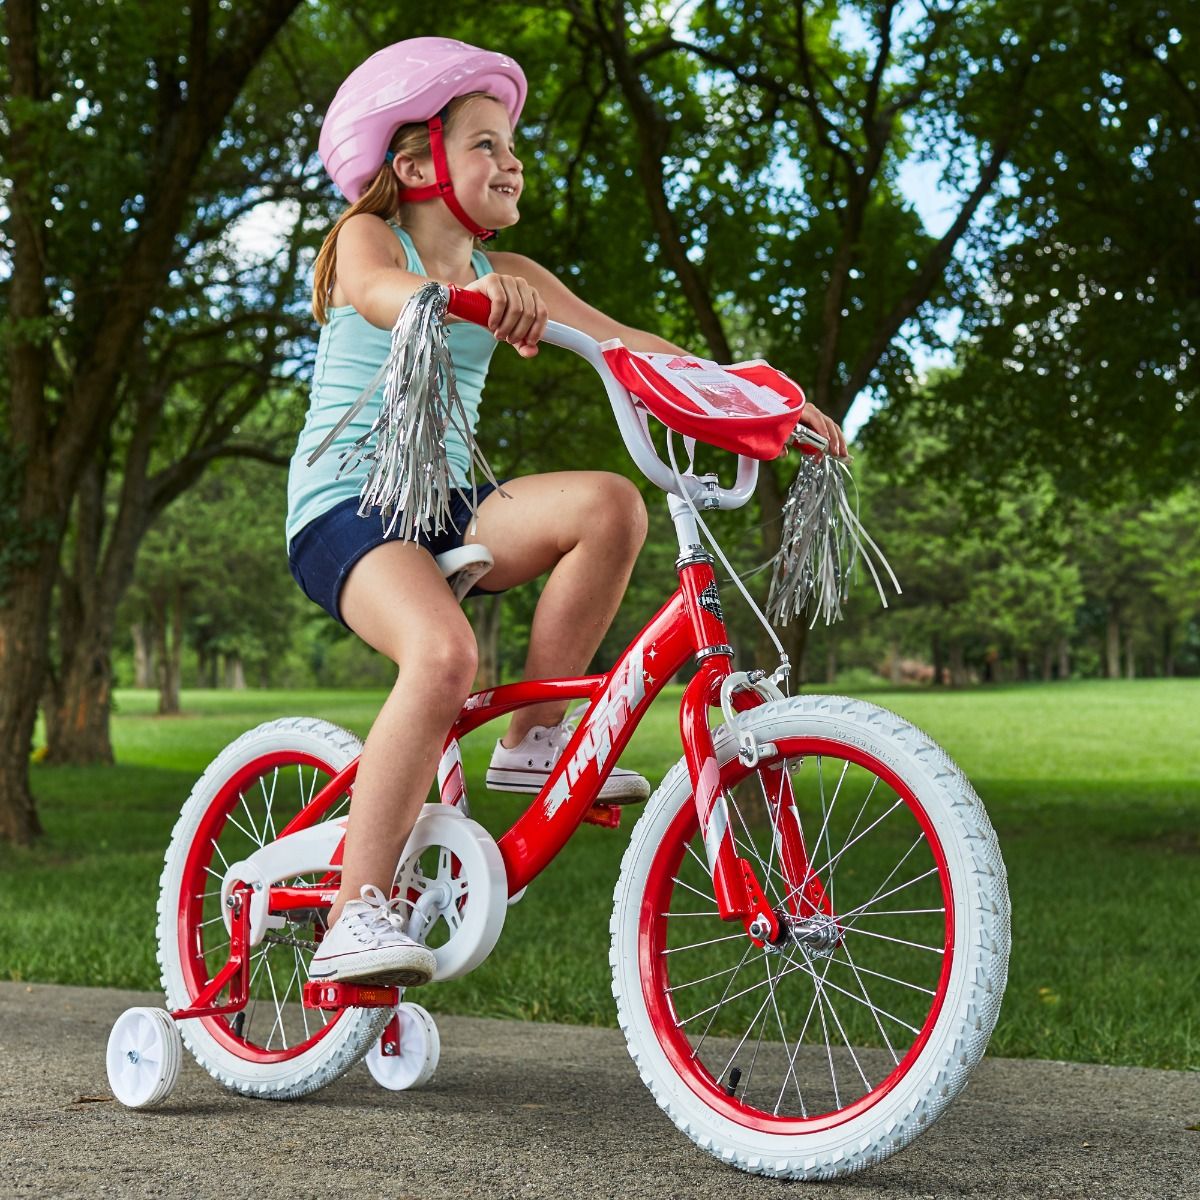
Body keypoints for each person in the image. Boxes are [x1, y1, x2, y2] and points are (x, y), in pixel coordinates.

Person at [289, 38, 846, 987]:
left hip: (447, 503)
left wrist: (766, 402)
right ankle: (353, 914)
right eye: (486, 144)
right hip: (348, 507)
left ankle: (535, 735)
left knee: (610, 504)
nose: (512, 161)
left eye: (513, 146)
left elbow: (631, 344)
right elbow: (387, 297)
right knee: (444, 654)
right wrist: (459, 294)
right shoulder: (366, 240)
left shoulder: (521, 274)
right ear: (417, 164)